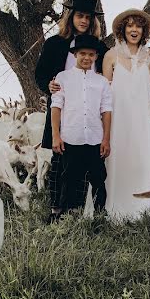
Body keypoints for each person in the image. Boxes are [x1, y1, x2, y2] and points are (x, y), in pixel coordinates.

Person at [34, 0, 106, 222]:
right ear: (71, 17)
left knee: (86, 162)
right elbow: (40, 73)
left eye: (88, 17)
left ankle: (78, 209)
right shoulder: (55, 44)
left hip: (89, 112)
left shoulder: (99, 47)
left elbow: (106, 71)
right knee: (60, 161)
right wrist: (48, 84)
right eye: (80, 16)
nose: (84, 21)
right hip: (63, 108)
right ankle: (57, 208)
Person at [103, 8, 150, 219]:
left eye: (138, 26)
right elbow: (104, 94)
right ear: (123, 29)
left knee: (143, 159)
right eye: (130, 25)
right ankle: (117, 210)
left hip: (143, 120)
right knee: (118, 159)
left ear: (143, 31)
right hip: (119, 120)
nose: (134, 30)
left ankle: (142, 211)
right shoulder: (110, 56)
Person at [50, 34, 112, 219]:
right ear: (75, 54)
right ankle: (65, 215)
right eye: (82, 53)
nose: (87, 58)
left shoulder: (101, 82)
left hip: (94, 138)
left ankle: (100, 215)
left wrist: (106, 139)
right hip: (71, 137)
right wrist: (56, 135)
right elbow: (56, 107)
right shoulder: (63, 78)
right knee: (69, 179)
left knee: (99, 179)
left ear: (96, 57)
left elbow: (106, 110)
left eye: (91, 54)